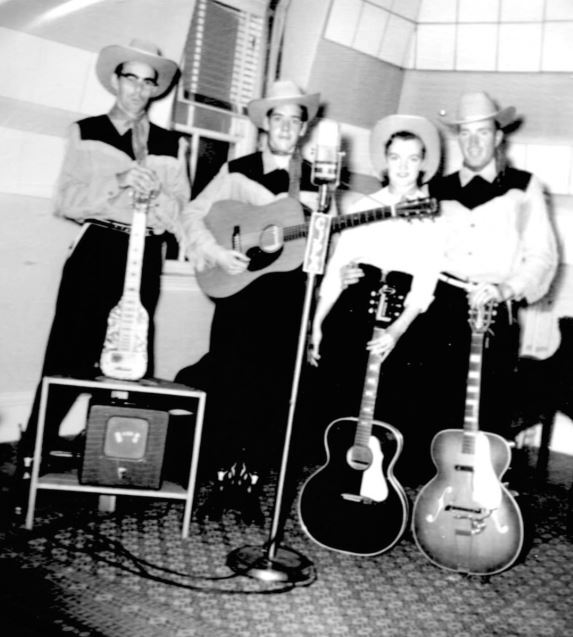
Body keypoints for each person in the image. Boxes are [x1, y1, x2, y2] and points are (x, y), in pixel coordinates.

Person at [20, 39, 190, 469]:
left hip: (145, 253)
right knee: (69, 351)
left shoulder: (173, 144)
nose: (138, 89)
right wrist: (119, 181)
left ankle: (114, 459)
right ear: (116, 80)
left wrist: (155, 197)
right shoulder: (86, 130)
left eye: (147, 81)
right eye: (130, 78)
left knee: (130, 354)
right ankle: (34, 451)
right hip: (97, 248)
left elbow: (180, 214)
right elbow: (66, 201)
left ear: (155, 89)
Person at [175, 80, 324, 521]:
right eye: (279, 118)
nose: (286, 127)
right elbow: (193, 214)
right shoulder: (236, 170)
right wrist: (217, 252)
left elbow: (320, 248)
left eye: (294, 120)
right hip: (238, 293)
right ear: (265, 124)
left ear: (303, 129)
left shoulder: (316, 180)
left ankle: (251, 485)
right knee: (229, 383)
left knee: (271, 393)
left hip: (286, 299)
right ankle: (221, 481)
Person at [309, 115, 444, 484]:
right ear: (385, 161)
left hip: (402, 318)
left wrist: (396, 332)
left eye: (412, 158)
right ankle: (336, 482)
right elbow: (337, 267)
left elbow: (425, 285)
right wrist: (317, 324)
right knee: (341, 403)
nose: (403, 167)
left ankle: (378, 487)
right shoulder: (363, 206)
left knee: (391, 407)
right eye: (396, 157)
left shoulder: (431, 216)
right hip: (354, 309)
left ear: (423, 163)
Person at [425, 91, 558, 447]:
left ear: (498, 136)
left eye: (482, 132)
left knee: (486, 417)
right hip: (440, 310)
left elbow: (542, 256)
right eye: (465, 133)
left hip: (494, 310)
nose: (473, 142)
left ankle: (480, 483)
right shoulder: (435, 190)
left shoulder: (523, 187)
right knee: (433, 412)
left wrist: (506, 290)